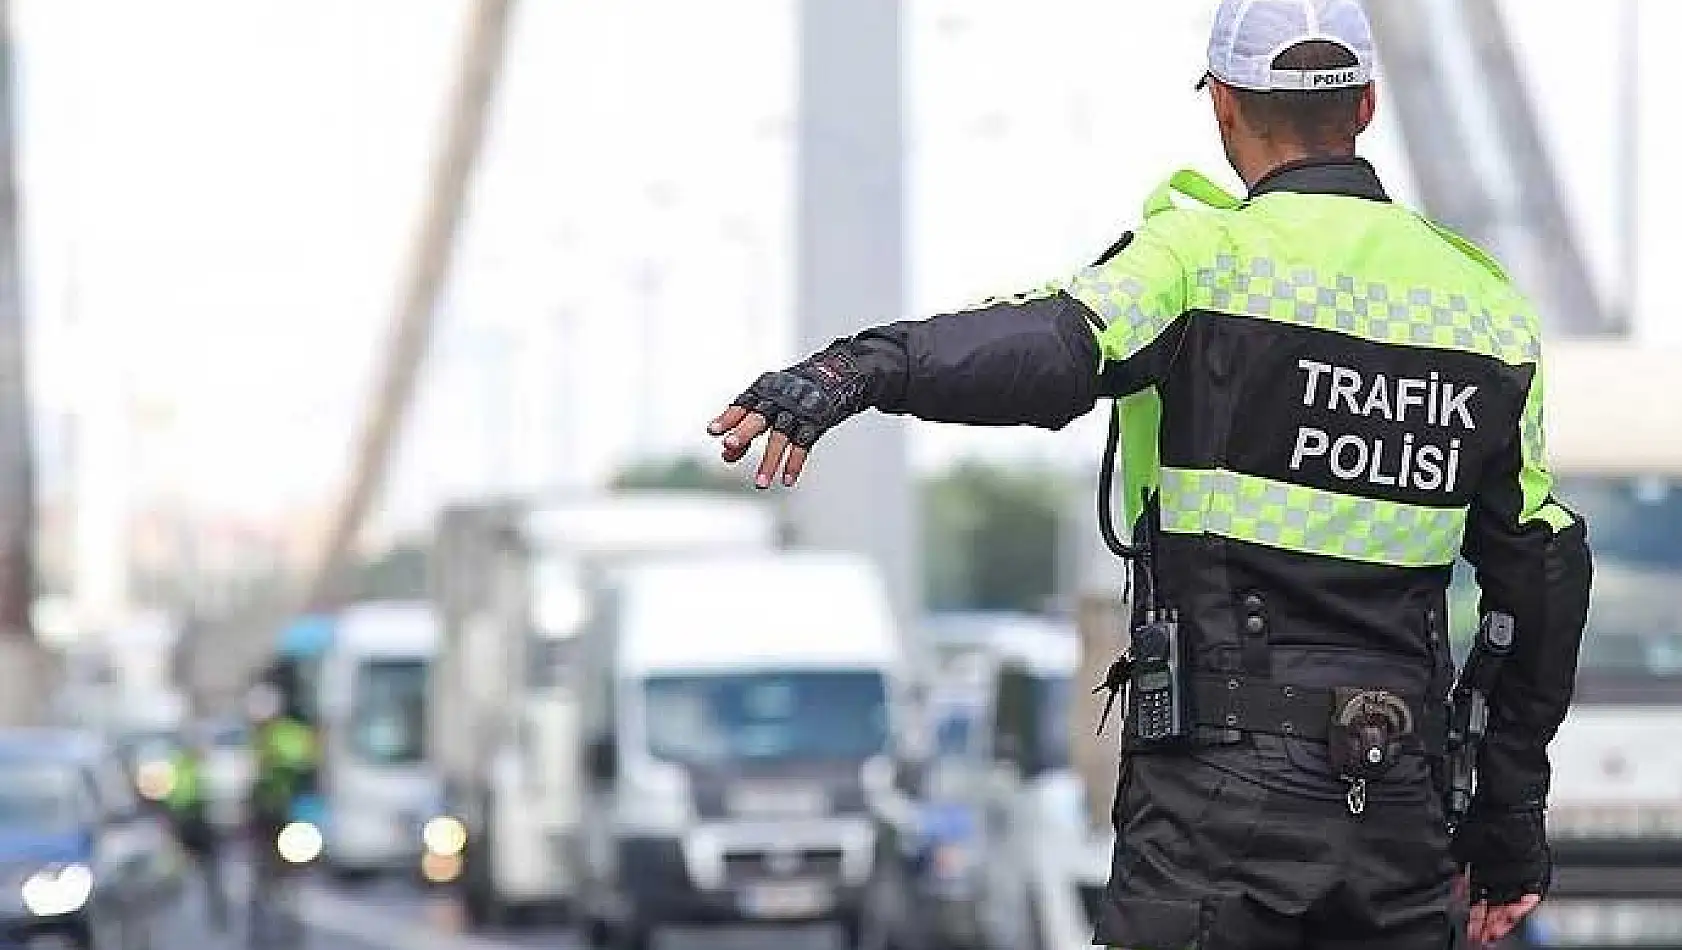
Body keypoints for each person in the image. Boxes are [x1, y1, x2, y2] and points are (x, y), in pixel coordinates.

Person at [704, 1, 1592, 946]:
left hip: (1216, 812)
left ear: (1223, 110)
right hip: (1398, 814)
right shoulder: (1484, 310)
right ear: (1367, 105)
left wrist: (858, 369)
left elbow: (1045, 346)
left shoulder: (1199, 262)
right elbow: (1539, 581)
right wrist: (1505, 828)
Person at [165, 728, 228, 931]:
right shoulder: (183, 767)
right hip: (191, 823)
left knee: (210, 873)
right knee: (198, 873)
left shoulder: (202, 767)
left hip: (202, 823)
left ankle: (216, 913)